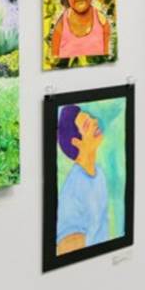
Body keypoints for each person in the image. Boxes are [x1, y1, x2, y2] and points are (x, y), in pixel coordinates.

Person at [55, 105, 110, 255]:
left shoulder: (100, 174)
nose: (95, 121)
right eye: (87, 124)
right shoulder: (74, 187)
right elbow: (67, 246)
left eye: (91, 117)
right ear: (76, 142)